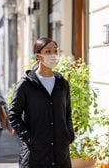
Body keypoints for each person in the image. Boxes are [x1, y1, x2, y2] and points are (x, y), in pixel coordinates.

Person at [9, 37, 75, 168]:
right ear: (38, 56)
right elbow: (13, 115)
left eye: (55, 51)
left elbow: (67, 112)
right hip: (35, 155)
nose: (53, 55)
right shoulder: (26, 84)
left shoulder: (62, 84)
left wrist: (69, 134)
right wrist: (29, 137)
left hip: (61, 154)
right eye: (48, 51)